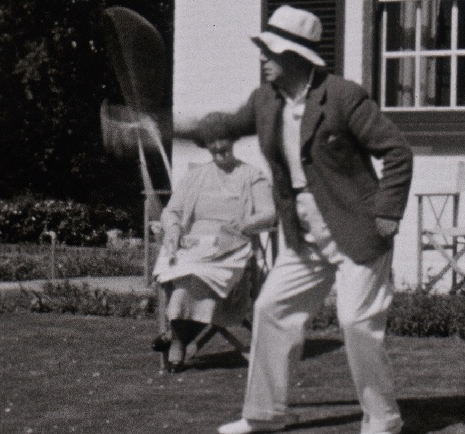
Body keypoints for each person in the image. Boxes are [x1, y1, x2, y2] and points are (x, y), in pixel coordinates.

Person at [177, 6, 414, 434]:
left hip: (357, 228)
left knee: (356, 323)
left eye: (270, 51)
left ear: (296, 56)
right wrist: (172, 126)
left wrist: (387, 211)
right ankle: (265, 415)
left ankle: (383, 421)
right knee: (271, 308)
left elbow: (396, 151)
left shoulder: (342, 96)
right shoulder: (264, 100)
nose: (263, 57)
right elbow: (226, 126)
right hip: (303, 234)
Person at [151, 138, 276, 373]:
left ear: (233, 141)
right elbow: (171, 211)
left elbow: (269, 213)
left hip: (232, 245)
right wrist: (174, 229)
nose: (218, 147)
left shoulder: (252, 175)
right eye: (213, 141)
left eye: (223, 140)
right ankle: (180, 335)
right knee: (182, 268)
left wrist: (246, 223)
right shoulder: (195, 176)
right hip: (193, 244)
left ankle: (177, 338)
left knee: (195, 273)